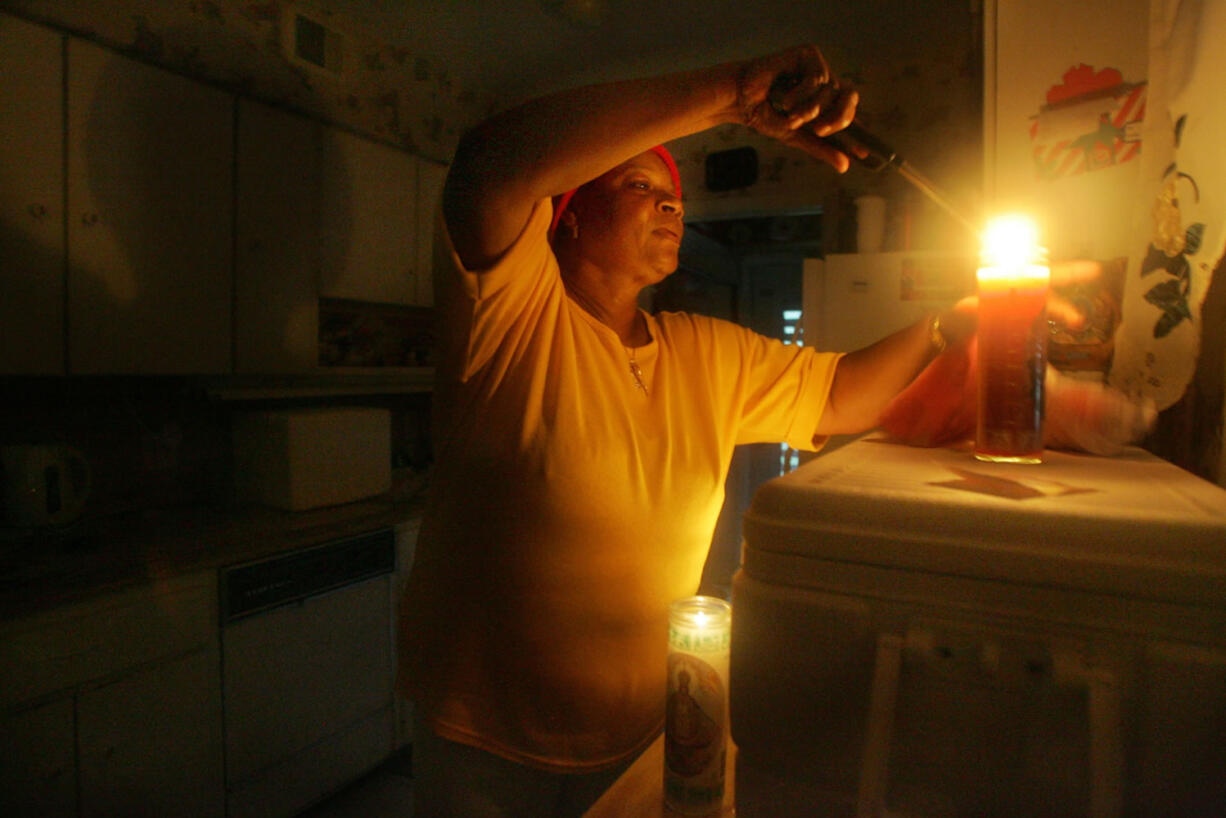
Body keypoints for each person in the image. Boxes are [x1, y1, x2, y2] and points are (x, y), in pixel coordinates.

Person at [396, 43, 1117, 817]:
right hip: (489, 745)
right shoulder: (511, 317)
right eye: (638, 185)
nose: (672, 203)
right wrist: (731, 94)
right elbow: (488, 166)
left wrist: (949, 324)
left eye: (675, 195)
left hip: (646, 725)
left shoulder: (704, 351)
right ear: (564, 221)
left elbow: (841, 395)